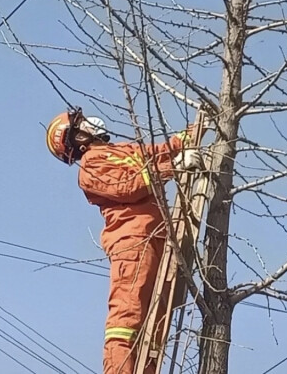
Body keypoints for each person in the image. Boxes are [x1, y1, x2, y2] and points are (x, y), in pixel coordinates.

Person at [46, 107, 203, 374]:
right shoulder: (91, 167)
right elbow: (126, 186)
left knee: (157, 322)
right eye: (81, 123)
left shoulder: (123, 150)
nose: (89, 122)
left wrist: (199, 127)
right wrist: (173, 167)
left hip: (160, 240)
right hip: (133, 242)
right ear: (77, 138)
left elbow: (167, 148)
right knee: (129, 316)